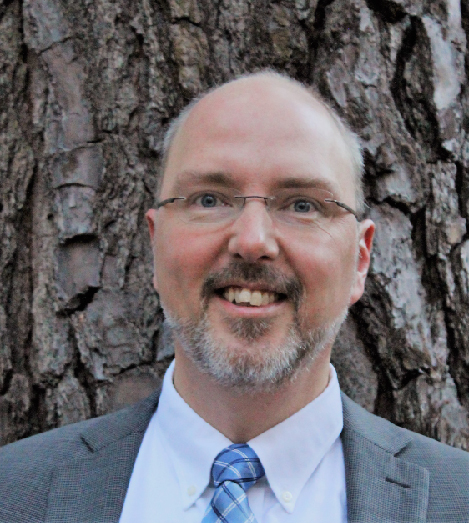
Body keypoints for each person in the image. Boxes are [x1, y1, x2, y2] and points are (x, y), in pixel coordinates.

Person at [0, 72, 467, 523]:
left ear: (360, 259)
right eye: (209, 199)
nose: (252, 240)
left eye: (302, 205)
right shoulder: (13, 493)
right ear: (155, 243)